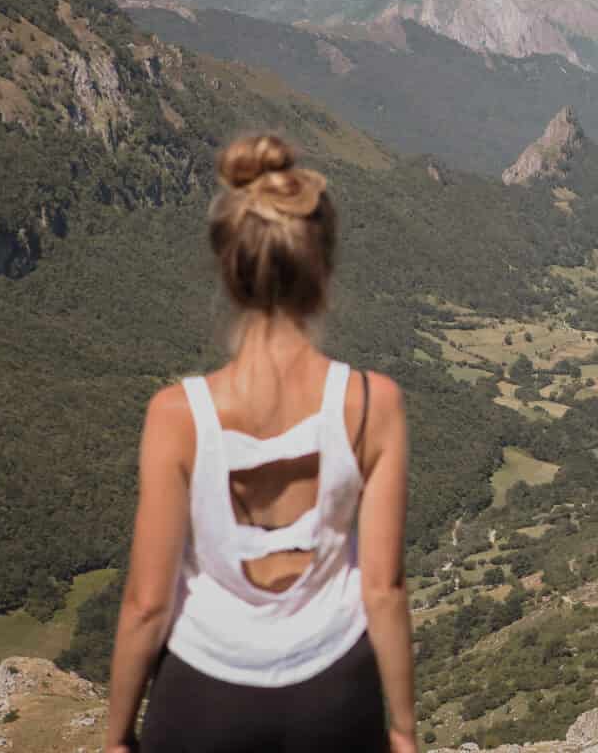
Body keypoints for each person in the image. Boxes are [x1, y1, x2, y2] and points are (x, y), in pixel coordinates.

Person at [103, 134, 416, 753]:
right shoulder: (373, 403)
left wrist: (116, 735)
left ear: (229, 270)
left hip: (201, 695)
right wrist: (403, 729)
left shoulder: (177, 416)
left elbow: (146, 601)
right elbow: (384, 589)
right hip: (333, 690)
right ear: (323, 270)